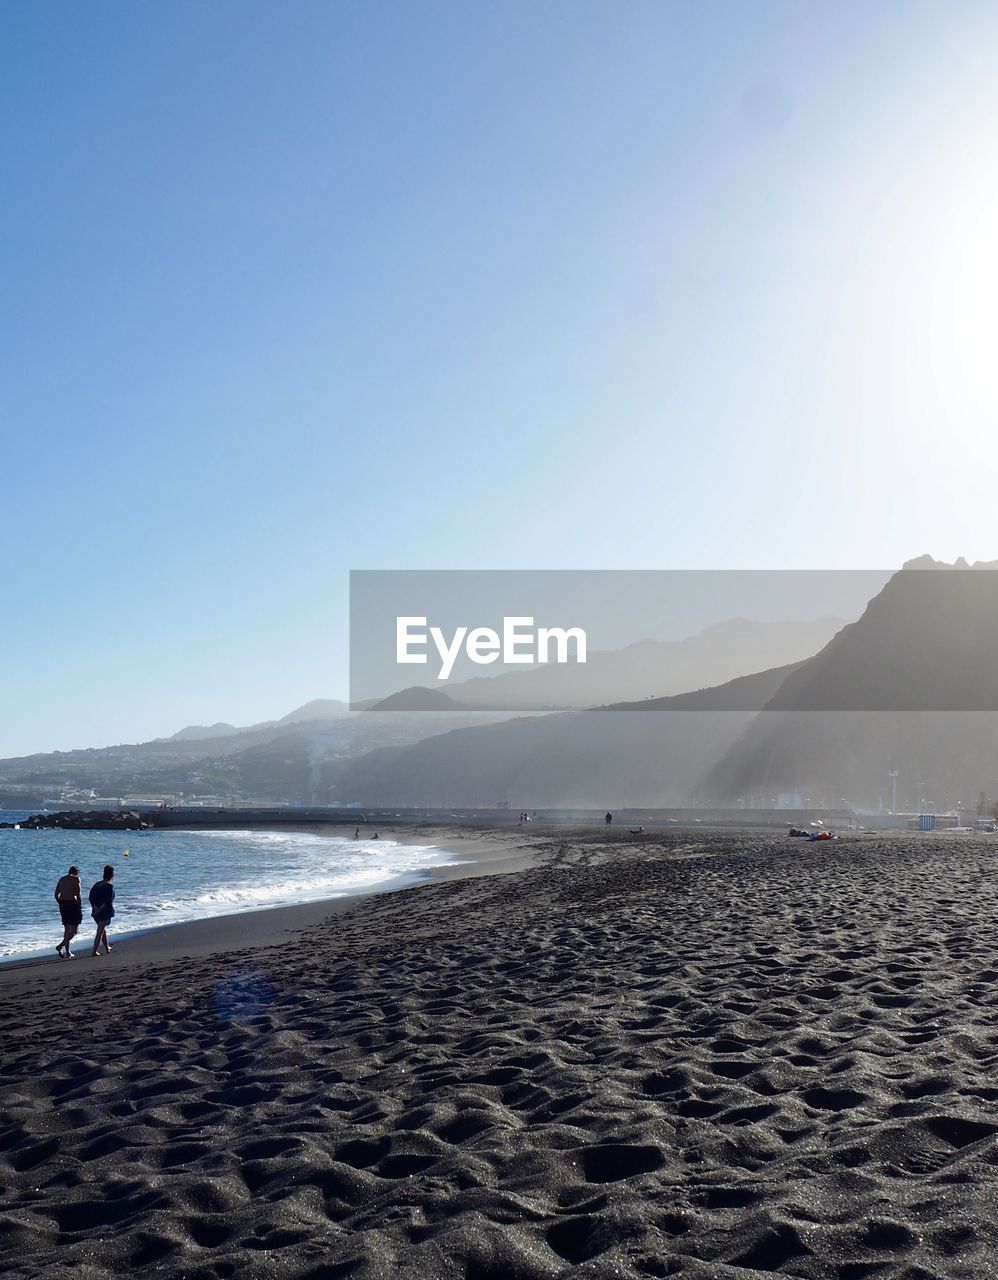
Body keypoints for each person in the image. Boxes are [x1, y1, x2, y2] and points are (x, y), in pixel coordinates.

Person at [54, 865, 82, 959]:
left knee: (67, 929)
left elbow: (56, 894)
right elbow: (78, 894)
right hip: (72, 904)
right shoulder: (76, 879)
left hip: (63, 904)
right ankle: (60, 946)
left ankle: (68, 952)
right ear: (76, 873)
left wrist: (60, 903)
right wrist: (79, 906)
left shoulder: (62, 879)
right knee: (74, 931)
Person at [89, 865, 115, 957]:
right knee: (100, 930)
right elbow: (107, 901)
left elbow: (91, 897)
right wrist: (99, 909)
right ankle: (94, 951)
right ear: (112, 875)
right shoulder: (109, 887)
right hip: (104, 911)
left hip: (95, 911)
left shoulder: (97, 884)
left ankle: (107, 947)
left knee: (102, 929)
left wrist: (94, 907)